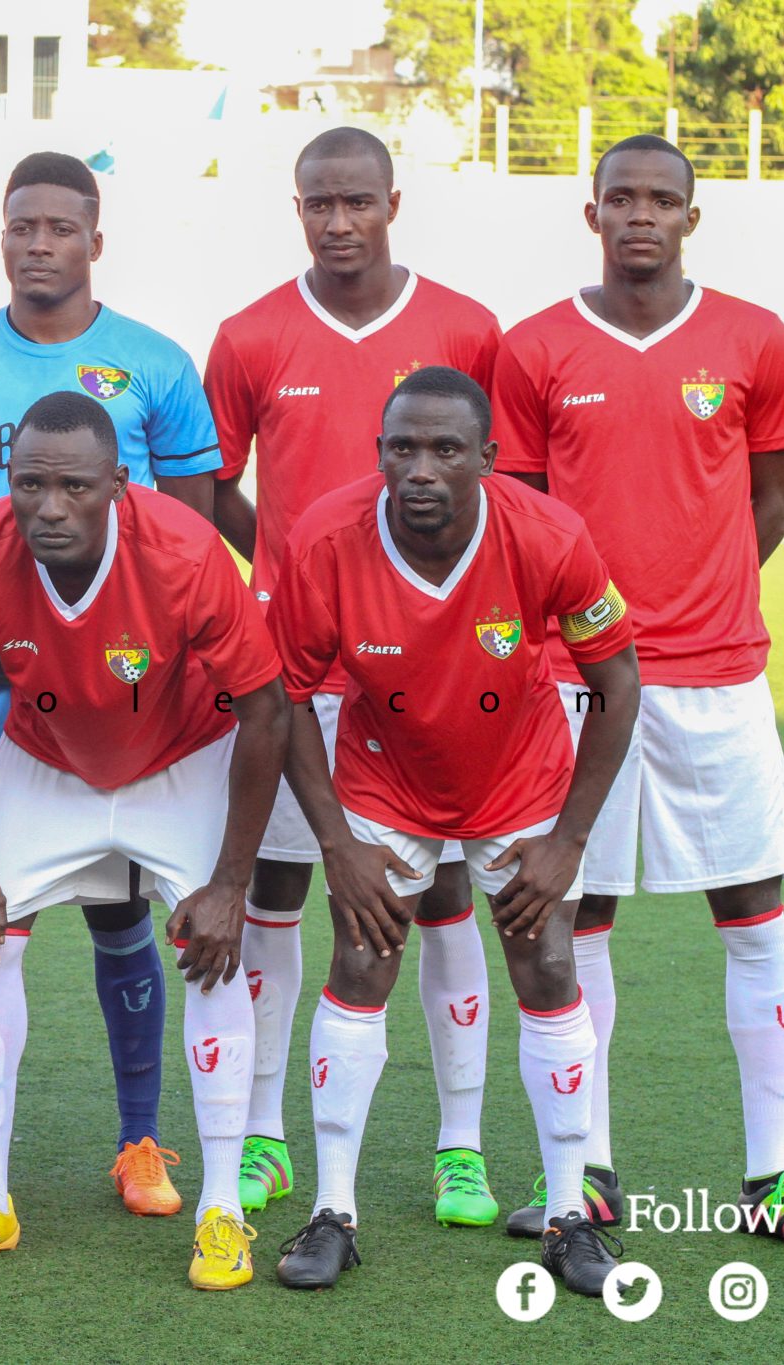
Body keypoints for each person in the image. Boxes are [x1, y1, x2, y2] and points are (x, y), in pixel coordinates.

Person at [488, 135, 784, 1253]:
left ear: (691, 216)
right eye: (619, 199)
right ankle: (586, 1175)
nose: (639, 215)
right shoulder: (534, 346)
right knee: (575, 919)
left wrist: (702, 597)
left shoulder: (753, 338)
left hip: (717, 679)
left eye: (661, 200)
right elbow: (525, 517)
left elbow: (769, 499)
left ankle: (769, 1178)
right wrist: (583, 638)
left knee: (748, 914)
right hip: (572, 687)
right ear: (586, 213)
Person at [265, 367, 640, 1298]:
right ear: (379, 452)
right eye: (402, 448)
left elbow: (619, 681)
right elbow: (280, 699)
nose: (420, 468)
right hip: (386, 778)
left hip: (520, 780)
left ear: (488, 457)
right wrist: (336, 847)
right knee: (360, 966)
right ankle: (334, 1210)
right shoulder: (327, 539)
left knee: (548, 967)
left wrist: (569, 844)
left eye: (444, 450)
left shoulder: (549, 534)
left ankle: (566, 1216)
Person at [0, 151, 222, 1216]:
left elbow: (196, 526)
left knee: (120, 913)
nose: (38, 244)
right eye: (19, 226)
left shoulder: (156, 364)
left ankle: (139, 1141)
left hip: (119, 687)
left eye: (58, 227)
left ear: (94, 238)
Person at [0, 391, 284, 1291]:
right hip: (45, 758)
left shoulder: (187, 554)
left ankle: (223, 1211)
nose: (47, 506)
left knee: (214, 954)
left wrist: (233, 882)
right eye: (28, 483)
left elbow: (266, 706)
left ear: (119, 484)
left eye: (73, 486)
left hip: (182, 754)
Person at [204, 126, 506, 1221]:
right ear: (297, 208)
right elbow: (207, 488)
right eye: (317, 204)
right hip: (304, 664)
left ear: (390, 203)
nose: (338, 223)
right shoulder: (248, 335)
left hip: (437, 660)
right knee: (281, 890)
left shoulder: (467, 327)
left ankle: (458, 1147)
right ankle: (263, 1135)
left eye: (356, 203)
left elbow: (503, 490)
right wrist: (291, 569)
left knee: (441, 893)